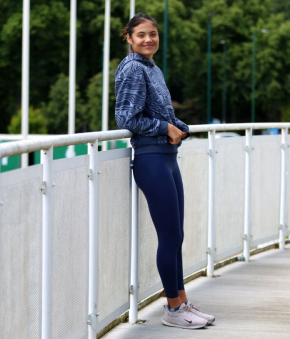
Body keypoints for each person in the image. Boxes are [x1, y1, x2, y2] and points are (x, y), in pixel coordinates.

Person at [115, 13, 216, 330]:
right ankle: (173, 310)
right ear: (129, 38)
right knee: (170, 235)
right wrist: (164, 127)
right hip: (151, 158)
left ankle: (181, 301)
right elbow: (126, 118)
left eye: (153, 34)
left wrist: (178, 127)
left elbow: (161, 111)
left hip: (167, 156)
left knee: (176, 236)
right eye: (141, 35)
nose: (148, 40)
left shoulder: (152, 67)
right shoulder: (132, 67)